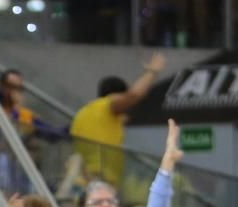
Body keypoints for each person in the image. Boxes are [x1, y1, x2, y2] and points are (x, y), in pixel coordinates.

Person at [68, 55, 165, 187]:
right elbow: (134, 95)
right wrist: (152, 72)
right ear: (117, 95)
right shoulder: (107, 105)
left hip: (85, 177)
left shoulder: (85, 113)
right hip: (99, 178)